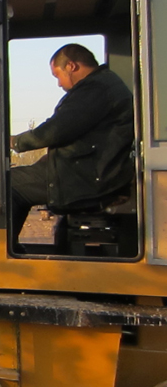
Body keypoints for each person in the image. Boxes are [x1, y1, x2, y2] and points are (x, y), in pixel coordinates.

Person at [9, 43, 134, 247]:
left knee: (4, 184)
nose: (58, 84)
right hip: (91, 171)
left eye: (57, 76)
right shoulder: (103, 86)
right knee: (13, 180)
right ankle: (10, 247)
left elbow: (56, 130)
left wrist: (15, 141)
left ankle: (1, 251)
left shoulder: (96, 89)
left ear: (71, 66)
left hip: (88, 178)